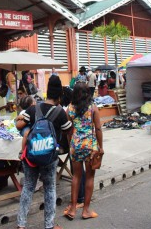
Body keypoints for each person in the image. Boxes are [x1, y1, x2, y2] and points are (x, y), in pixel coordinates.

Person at [16, 75, 72, 229]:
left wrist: (24, 124)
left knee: (28, 187)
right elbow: (68, 130)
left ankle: (21, 225)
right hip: (50, 158)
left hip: (31, 156)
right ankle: (49, 225)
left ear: (47, 92)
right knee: (49, 188)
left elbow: (19, 125)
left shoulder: (34, 108)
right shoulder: (60, 112)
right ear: (59, 95)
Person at [64, 83, 104, 220]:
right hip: (90, 146)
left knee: (76, 176)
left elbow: (68, 131)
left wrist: (71, 144)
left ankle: (73, 209)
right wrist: (101, 146)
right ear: (88, 93)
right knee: (89, 177)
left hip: (75, 145)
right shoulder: (93, 108)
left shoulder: (69, 108)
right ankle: (86, 210)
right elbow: (98, 128)